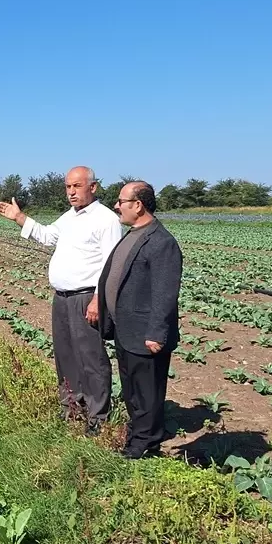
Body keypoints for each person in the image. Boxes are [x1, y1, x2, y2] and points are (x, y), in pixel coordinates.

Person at [0, 166, 123, 434]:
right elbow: (47, 236)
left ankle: (98, 417)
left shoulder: (106, 219)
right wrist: (19, 218)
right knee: (66, 356)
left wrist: (98, 300)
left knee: (91, 358)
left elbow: (112, 265)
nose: (71, 192)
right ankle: (71, 409)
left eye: (77, 186)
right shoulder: (70, 217)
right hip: (63, 299)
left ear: (93, 187)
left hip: (86, 297)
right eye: (68, 187)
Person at [98, 181, 183, 459]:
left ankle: (145, 444)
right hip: (127, 331)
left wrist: (157, 333)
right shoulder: (133, 234)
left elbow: (164, 293)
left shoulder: (162, 242)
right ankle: (139, 435)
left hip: (145, 334)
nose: (116, 206)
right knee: (133, 390)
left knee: (147, 392)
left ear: (138, 205)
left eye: (121, 201)